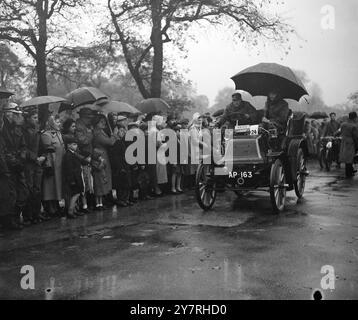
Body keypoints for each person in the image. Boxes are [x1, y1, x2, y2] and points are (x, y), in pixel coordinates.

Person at [1, 103, 28, 230]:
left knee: (22, 191)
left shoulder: (18, 129)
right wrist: (13, 161)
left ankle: (16, 217)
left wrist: (21, 158)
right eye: (16, 114)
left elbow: (23, 146)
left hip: (18, 165)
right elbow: (3, 149)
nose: (19, 117)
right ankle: (9, 221)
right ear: (8, 113)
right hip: (7, 166)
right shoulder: (2, 129)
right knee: (9, 195)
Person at [23, 107, 47, 224]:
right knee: (29, 189)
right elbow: (24, 148)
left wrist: (43, 156)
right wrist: (34, 157)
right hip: (29, 164)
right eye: (34, 117)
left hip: (38, 163)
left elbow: (41, 146)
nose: (36, 120)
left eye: (37, 117)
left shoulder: (37, 130)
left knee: (37, 189)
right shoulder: (24, 131)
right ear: (28, 118)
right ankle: (28, 215)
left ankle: (37, 213)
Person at [41, 114, 65, 217]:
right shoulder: (46, 135)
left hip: (60, 163)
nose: (59, 123)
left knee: (58, 184)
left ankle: (56, 204)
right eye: (57, 122)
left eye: (60, 121)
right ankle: (50, 206)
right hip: (52, 164)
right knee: (50, 185)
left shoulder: (59, 133)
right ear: (51, 123)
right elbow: (48, 151)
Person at [92, 114, 117, 210]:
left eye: (104, 122)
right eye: (101, 122)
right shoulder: (97, 133)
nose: (103, 123)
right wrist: (114, 135)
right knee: (101, 178)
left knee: (104, 178)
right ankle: (99, 203)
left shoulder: (100, 131)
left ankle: (104, 200)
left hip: (104, 155)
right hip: (100, 156)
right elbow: (110, 142)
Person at [62, 137, 86, 219]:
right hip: (73, 178)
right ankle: (70, 210)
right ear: (68, 145)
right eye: (74, 144)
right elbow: (69, 169)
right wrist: (72, 180)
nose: (75, 146)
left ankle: (74, 210)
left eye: (76, 144)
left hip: (76, 177)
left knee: (76, 194)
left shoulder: (72, 154)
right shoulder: (68, 155)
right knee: (76, 194)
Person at [339, 112, 358, 178]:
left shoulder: (343, 124)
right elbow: (355, 137)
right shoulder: (354, 126)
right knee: (350, 159)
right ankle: (349, 174)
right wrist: (357, 146)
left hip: (344, 142)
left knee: (346, 158)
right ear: (355, 117)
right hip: (351, 142)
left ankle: (348, 172)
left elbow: (340, 132)